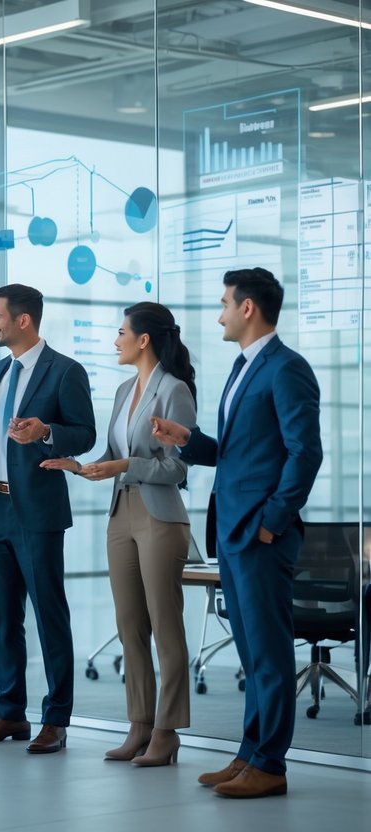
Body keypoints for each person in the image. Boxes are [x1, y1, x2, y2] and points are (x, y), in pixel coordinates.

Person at [152, 268, 321, 799]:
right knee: (251, 653)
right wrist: (189, 441)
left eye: (226, 303)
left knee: (268, 653)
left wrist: (273, 522)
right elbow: (237, 451)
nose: (220, 312)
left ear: (248, 308)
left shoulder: (286, 369)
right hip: (233, 529)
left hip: (259, 533)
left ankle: (270, 764)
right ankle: (251, 753)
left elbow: (305, 453)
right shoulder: (243, 367)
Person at [41, 302, 195, 766]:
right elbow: (112, 453)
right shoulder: (125, 390)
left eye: (122, 331)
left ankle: (167, 732)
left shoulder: (175, 390)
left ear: (143, 339)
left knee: (165, 626)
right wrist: (77, 466)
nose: (116, 339)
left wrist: (128, 465)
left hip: (160, 516)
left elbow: (180, 467)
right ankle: (139, 726)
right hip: (120, 514)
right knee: (130, 626)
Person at [0, 284, 95, 754]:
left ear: (23, 321)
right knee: (2, 619)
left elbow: (86, 434)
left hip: (36, 511)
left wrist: (47, 431)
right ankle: (9, 713)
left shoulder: (64, 372)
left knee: (49, 615)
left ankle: (56, 719)